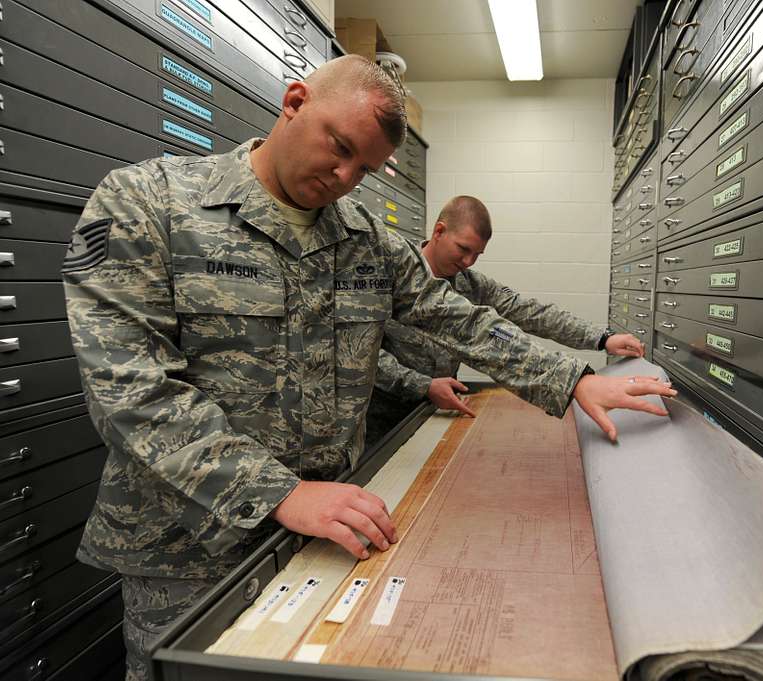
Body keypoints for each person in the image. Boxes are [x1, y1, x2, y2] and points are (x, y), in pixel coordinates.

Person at [62, 55, 675, 681]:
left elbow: (456, 316)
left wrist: (573, 379)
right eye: (340, 147)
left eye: (366, 168)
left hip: (327, 529)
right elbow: (130, 389)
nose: (345, 177)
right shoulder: (149, 202)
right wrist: (280, 493)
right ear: (294, 103)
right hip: (188, 550)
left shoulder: (365, 240)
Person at [366, 195, 646, 444]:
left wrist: (602, 338)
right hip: (382, 420)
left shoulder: (471, 285)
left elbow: (532, 312)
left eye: (477, 254)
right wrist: (421, 384)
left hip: (438, 411)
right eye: (463, 249)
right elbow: (362, 352)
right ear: (439, 231)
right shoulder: (390, 275)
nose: (468, 262)